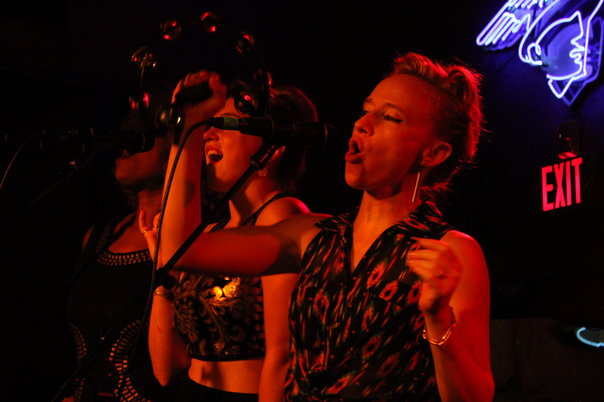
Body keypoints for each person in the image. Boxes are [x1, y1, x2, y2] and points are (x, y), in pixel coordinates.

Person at [141, 52, 494, 401]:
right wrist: (186, 130)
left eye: (390, 117)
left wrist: (438, 317)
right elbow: (179, 250)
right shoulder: (313, 236)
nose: (362, 124)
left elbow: (476, 396)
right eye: (366, 110)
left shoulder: (451, 251)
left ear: (433, 153)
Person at [143, 71, 319, 401]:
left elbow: (282, 357)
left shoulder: (282, 216)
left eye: (225, 125)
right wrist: (163, 278)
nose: (209, 134)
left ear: (272, 149)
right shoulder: (211, 233)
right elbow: (166, 369)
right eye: (209, 125)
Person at [64, 94, 175, 401]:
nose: (125, 147)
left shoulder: (197, 241)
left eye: (143, 137)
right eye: (126, 136)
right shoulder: (97, 236)